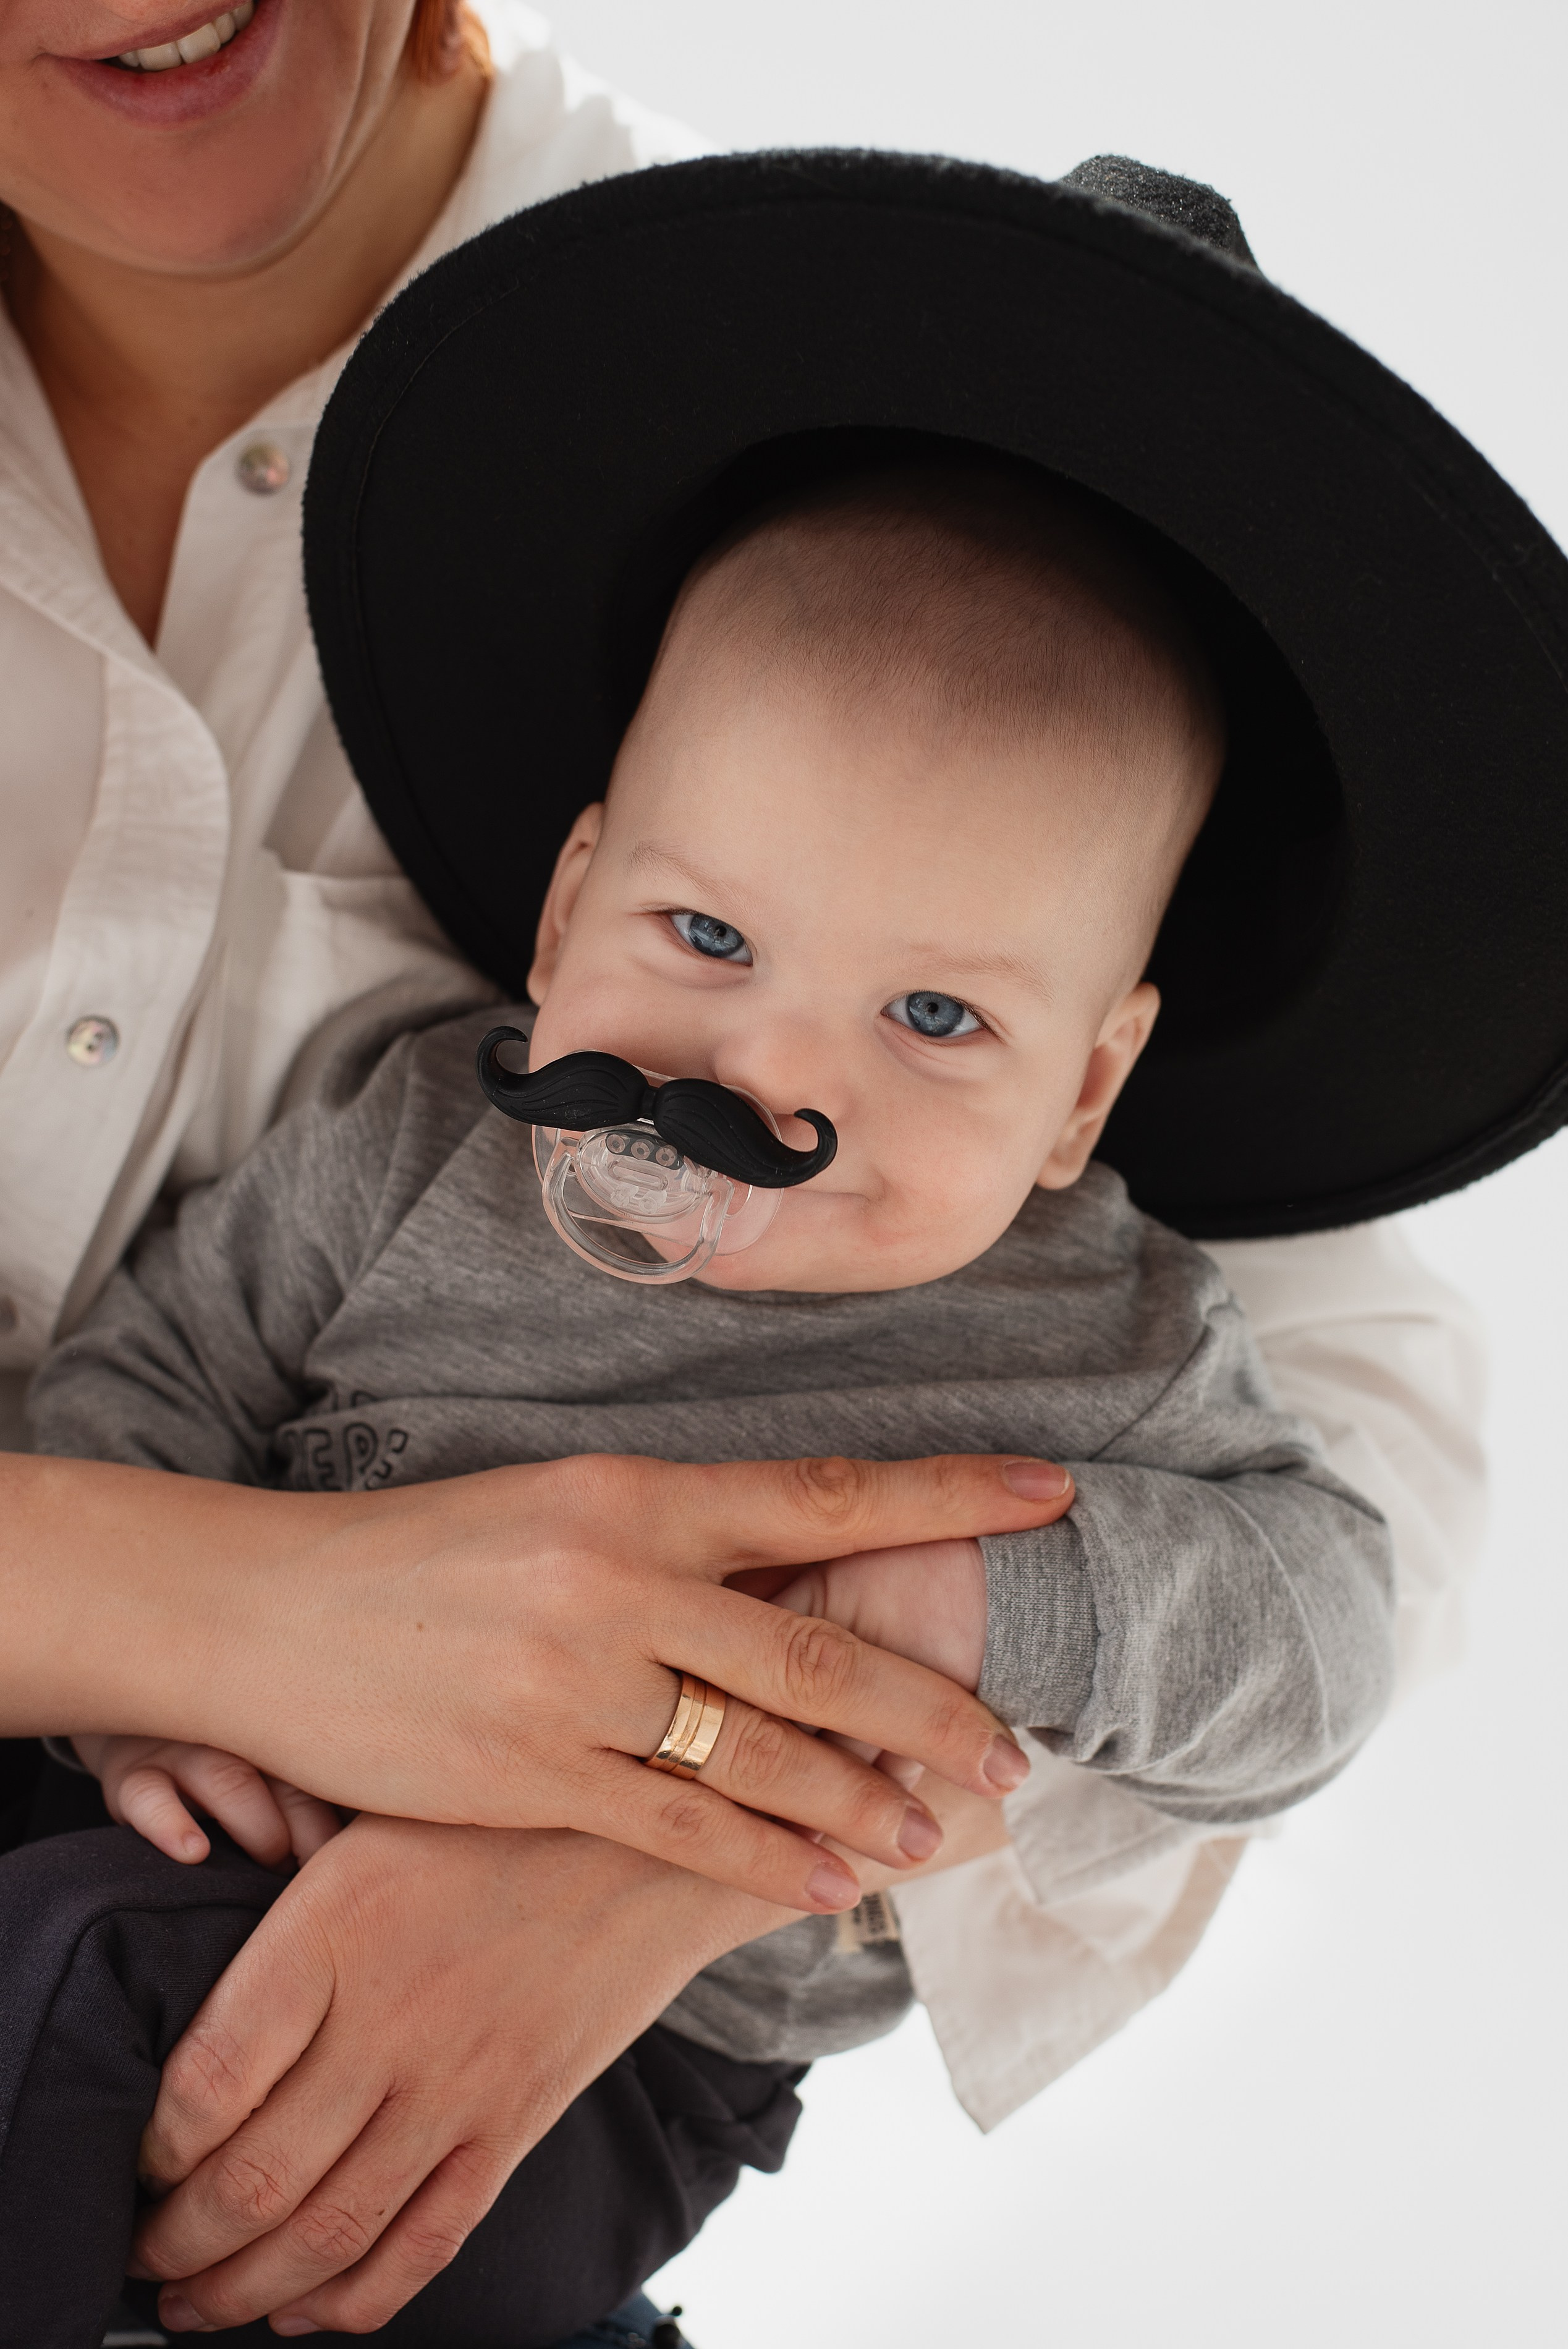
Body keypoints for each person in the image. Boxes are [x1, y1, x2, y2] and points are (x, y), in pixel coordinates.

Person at [0, 5, 1495, 2343]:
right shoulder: (422, 1131)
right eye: (702, 940)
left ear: (1089, 1092)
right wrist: (148, 1667)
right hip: (181, 1807)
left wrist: (883, 1695)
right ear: (573, 888)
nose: (763, 1080)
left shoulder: (1092, 1322)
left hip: (611, 2057)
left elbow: (1328, 1595)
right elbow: (159, 1364)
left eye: (934, 1023)